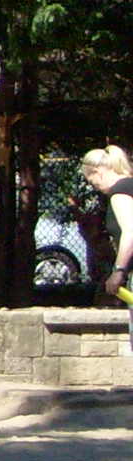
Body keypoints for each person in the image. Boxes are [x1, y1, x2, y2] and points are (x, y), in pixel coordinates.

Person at [80, 146, 133, 350]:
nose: (95, 186)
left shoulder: (120, 192)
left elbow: (130, 232)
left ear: (98, 171)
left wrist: (118, 271)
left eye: (92, 181)